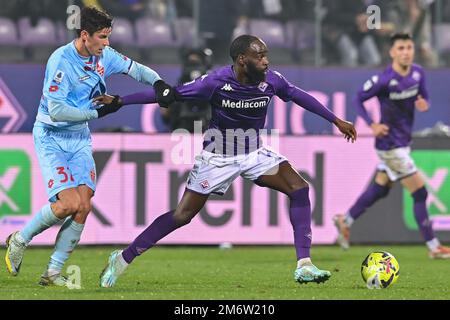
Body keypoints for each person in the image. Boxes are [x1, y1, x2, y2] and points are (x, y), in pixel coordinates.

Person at [94, 34, 357, 288]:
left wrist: (336, 120)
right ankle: (122, 258)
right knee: (182, 215)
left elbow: (299, 96)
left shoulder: (271, 81)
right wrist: (119, 101)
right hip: (218, 156)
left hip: (254, 152)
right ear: (242, 59)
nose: (266, 61)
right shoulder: (216, 81)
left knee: (299, 188)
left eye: (266, 55)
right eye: (260, 56)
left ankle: (305, 264)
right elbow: (169, 95)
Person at [4, 6, 178, 286]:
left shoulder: (104, 56)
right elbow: (58, 111)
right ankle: (20, 238)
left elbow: (135, 69)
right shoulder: (60, 61)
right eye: (102, 37)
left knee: (83, 205)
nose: (107, 43)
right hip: (52, 135)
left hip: (80, 136)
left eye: (108, 36)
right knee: (67, 205)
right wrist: (97, 113)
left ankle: (51, 273)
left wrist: (158, 83)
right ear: (85, 35)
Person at [333, 33, 450, 258]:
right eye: (401, 48)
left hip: (403, 141)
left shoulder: (418, 73)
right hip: (389, 145)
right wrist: (372, 124)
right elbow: (358, 98)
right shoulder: (384, 80)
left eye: (409, 47)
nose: (406, 52)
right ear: (392, 52)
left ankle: (344, 220)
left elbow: (422, 94)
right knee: (420, 192)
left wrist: (423, 101)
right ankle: (434, 247)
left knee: (380, 189)